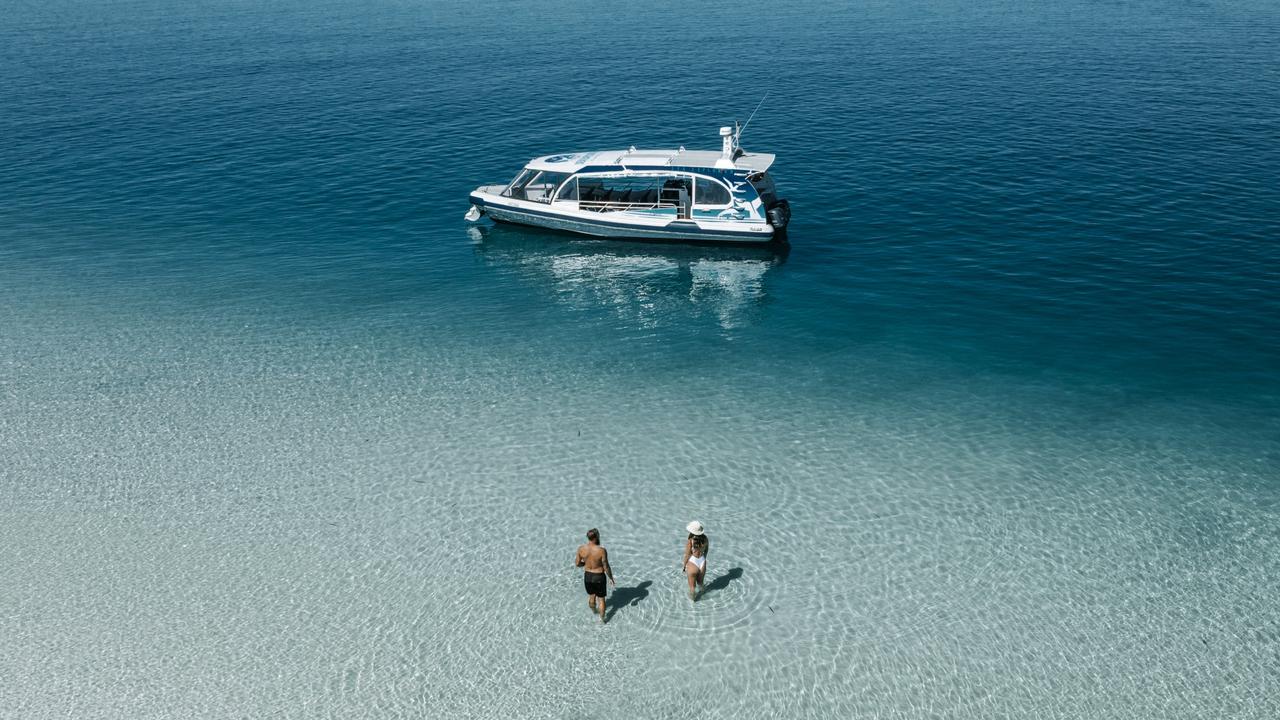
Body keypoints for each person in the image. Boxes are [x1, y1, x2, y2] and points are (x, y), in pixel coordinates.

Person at [575, 528, 615, 622]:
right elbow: (606, 566)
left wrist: (585, 564)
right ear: (596, 537)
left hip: (588, 576)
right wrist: (611, 578)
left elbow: (577, 563)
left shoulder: (581, 549)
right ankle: (602, 620)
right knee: (601, 599)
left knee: (592, 596)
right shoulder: (601, 550)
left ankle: (594, 611)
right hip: (599, 576)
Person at [682, 520, 709, 600]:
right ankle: (704, 596)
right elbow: (706, 551)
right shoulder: (705, 539)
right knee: (701, 583)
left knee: (692, 588)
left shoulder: (690, 541)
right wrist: (703, 559)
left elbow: (687, 555)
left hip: (693, 562)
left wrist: (684, 566)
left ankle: (693, 603)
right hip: (702, 562)